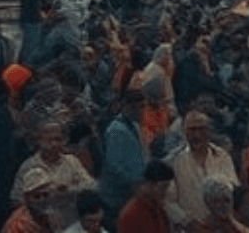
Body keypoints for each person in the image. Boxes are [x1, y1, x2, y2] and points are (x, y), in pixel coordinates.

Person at [10, 121, 95, 233]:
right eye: (49, 140)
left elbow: (92, 187)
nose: (54, 144)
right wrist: (39, 208)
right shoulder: (28, 166)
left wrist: (70, 190)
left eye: (58, 139)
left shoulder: (72, 162)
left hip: (71, 225)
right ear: (39, 141)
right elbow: (16, 200)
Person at [165, 111, 238, 229]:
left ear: (209, 131)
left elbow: (233, 188)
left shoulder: (222, 156)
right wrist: (188, 222)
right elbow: (168, 201)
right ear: (184, 132)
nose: (197, 134)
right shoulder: (173, 161)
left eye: (201, 129)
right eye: (192, 130)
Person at [97, 87, 145, 225]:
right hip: (116, 197)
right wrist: (134, 183)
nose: (143, 110)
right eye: (140, 106)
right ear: (128, 105)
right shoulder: (116, 130)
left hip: (133, 192)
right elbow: (114, 165)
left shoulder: (134, 126)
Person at [115, 160, 174, 233]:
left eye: (167, 187)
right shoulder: (131, 214)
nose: (165, 192)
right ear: (148, 184)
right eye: (163, 187)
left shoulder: (159, 209)